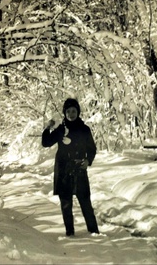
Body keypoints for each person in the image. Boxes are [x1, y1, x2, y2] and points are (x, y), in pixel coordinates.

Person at [42, 98, 100, 236]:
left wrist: (88, 161)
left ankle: (94, 232)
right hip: (63, 169)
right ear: (65, 113)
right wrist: (47, 128)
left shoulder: (84, 129)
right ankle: (70, 233)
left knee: (85, 201)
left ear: (78, 112)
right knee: (66, 203)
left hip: (79, 167)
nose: (71, 114)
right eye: (68, 111)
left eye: (74, 111)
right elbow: (46, 143)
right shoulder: (61, 129)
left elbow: (92, 148)